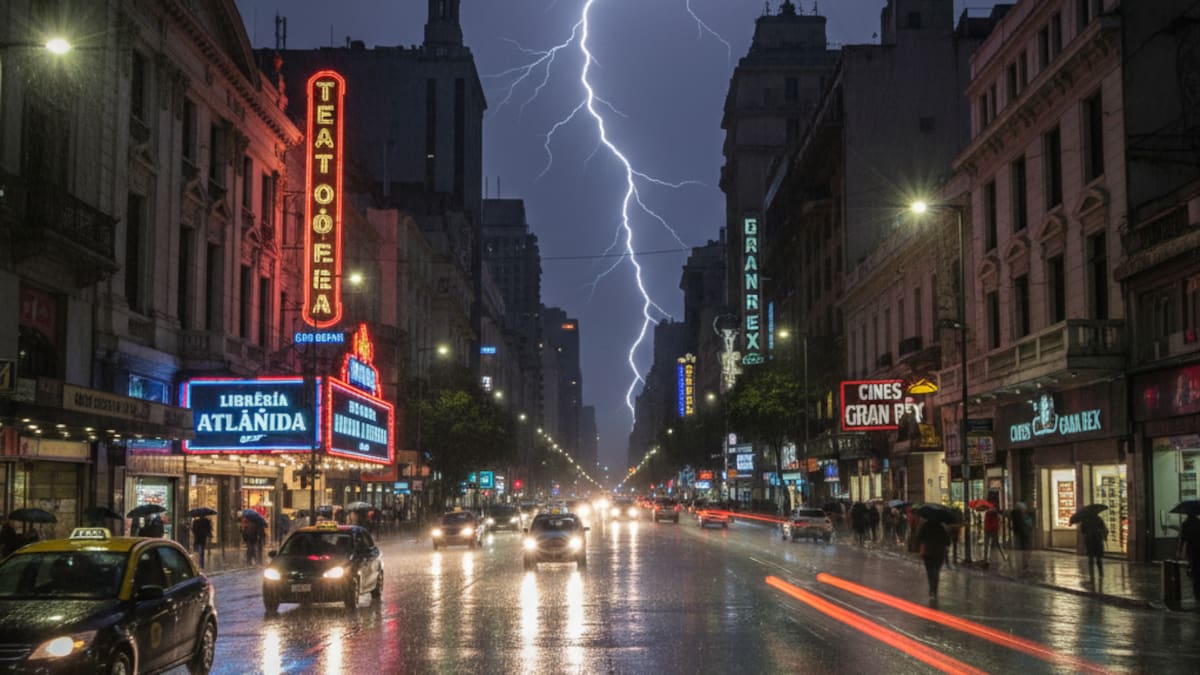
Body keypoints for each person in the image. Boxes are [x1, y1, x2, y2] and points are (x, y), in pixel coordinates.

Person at [915, 519, 951, 600]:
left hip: (928, 552)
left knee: (930, 571)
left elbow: (919, 538)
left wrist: (919, 548)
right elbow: (948, 541)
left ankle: (932, 589)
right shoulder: (942, 527)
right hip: (939, 553)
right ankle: (935, 590)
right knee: (936, 571)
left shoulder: (925, 526)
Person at [1177, 513, 1200, 604]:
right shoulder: (1199, 522)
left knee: (1194, 569)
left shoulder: (1185, 524)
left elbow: (1183, 538)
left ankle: (1196, 592)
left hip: (1191, 550)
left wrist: (1179, 550)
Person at [1080, 512, 1108, 583]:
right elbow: (1104, 528)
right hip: (1097, 540)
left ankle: (1092, 574)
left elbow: (1082, 530)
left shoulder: (1086, 520)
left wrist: (1087, 532)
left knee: (1091, 559)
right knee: (1098, 559)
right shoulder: (1099, 519)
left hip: (1090, 541)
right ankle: (1101, 574)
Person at [1010, 502, 1033, 574]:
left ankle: (1023, 566)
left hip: (1022, 535)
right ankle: (1024, 566)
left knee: (1023, 552)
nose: (1024, 510)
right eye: (1023, 509)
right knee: (1024, 552)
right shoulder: (1019, 516)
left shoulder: (1017, 515)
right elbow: (1024, 525)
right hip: (1023, 536)